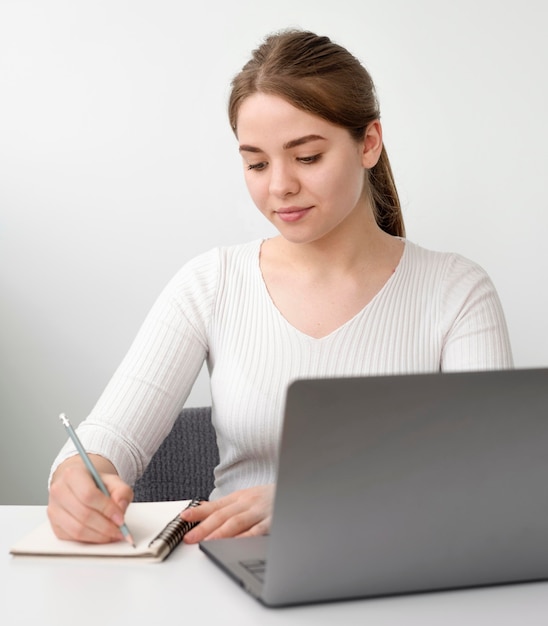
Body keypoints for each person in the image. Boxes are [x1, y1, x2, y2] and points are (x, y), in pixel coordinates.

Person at [47, 28, 513, 546]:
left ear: (369, 144)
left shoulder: (457, 292)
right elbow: (110, 439)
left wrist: (311, 499)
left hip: (401, 572)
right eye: (256, 163)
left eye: (307, 157)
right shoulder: (211, 283)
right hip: (235, 579)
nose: (279, 186)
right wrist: (76, 478)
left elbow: (490, 477)